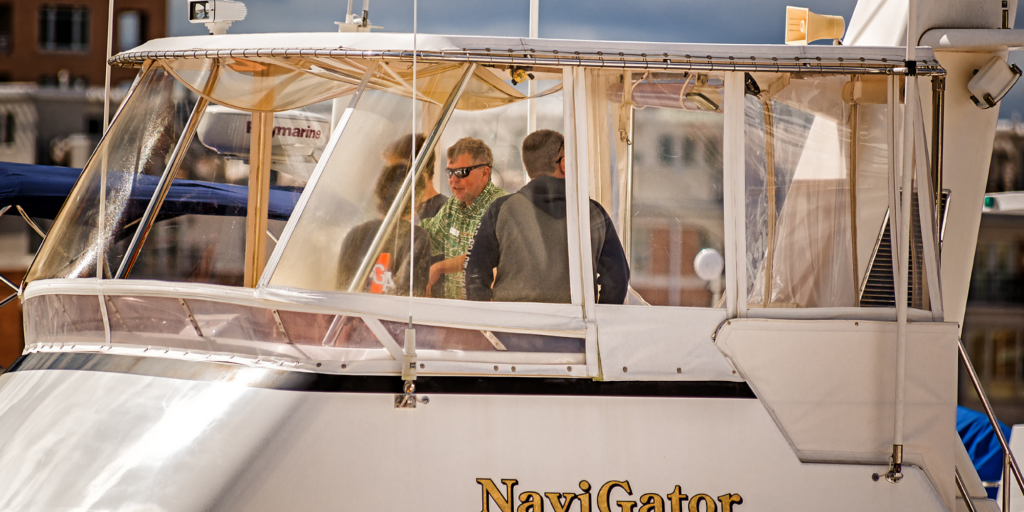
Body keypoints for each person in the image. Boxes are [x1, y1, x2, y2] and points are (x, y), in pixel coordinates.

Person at [464, 130, 629, 304]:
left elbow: (473, 274)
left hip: (511, 326)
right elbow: (618, 279)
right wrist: (597, 318)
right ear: (564, 164)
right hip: (574, 328)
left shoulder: (501, 209)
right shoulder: (593, 213)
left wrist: (489, 321)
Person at [421, 137, 507, 299]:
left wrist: (439, 268)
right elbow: (429, 238)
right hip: (454, 313)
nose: (453, 179)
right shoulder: (453, 205)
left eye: (461, 172)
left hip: (485, 315)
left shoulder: (502, 206)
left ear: (484, 173)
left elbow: (489, 257)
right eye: (449, 172)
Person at [337, 162, 431, 296]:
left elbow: (341, 292)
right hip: (388, 316)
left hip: (352, 315)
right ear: (415, 199)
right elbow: (411, 297)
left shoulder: (354, 234)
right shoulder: (417, 237)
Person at [383, 134, 447, 219]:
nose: (390, 181)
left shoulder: (445, 215)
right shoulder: (403, 213)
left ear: (419, 171)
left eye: (395, 172)